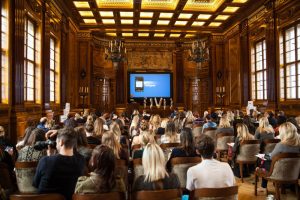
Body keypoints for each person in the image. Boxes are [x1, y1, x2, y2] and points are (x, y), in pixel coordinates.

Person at [33, 128, 86, 200]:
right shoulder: (81, 160)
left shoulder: (45, 161)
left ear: (61, 142)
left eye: (57, 142)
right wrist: (62, 133)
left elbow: (36, 184)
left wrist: (49, 157)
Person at [257, 122, 300, 191]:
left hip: (280, 172)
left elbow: (271, 157)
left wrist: (262, 156)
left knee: (264, 161)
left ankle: (263, 187)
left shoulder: (281, 145)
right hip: (295, 172)